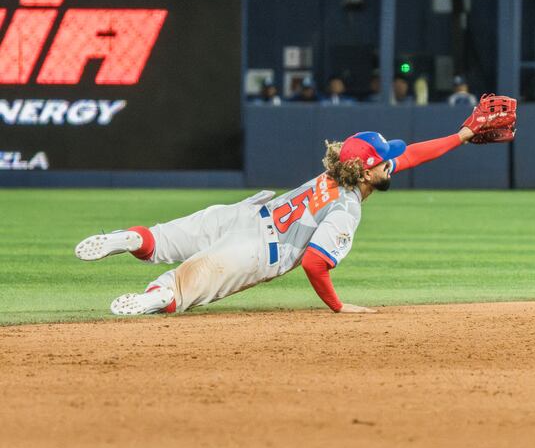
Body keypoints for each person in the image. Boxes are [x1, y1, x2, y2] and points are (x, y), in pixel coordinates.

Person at [74, 113, 502, 316]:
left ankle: (127, 239)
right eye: (383, 159)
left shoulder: (339, 173)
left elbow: (407, 156)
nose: (391, 162)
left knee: (162, 238)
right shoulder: (347, 206)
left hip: (245, 213)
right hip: (258, 250)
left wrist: (462, 134)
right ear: (367, 170)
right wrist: (338, 307)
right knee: (185, 287)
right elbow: (315, 263)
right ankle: (156, 297)